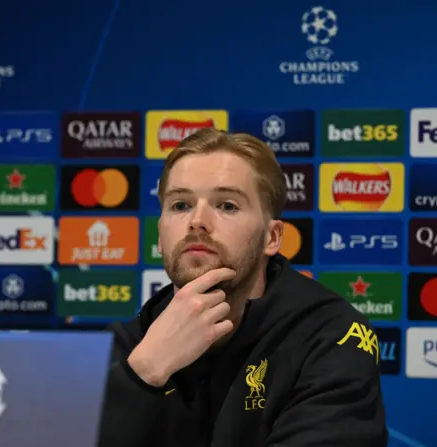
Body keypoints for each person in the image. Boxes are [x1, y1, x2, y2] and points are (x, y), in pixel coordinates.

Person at [97, 128, 388, 447]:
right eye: (180, 205)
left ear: (272, 237)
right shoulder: (126, 347)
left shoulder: (331, 335)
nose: (197, 221)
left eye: (227, 205)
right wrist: (145, 373)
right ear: (159, 235)